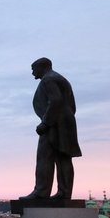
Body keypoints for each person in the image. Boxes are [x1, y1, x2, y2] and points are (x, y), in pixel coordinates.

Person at [21, 57, 82, 200]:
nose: (32, 73)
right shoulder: (60, 79)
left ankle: (41, 192)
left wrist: (46, 123)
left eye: (33, 69)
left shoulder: (48, 79)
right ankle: (64, 193)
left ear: (42, 67)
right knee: (63, 158)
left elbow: (55, 100)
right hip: (64, 122)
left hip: (54, 124)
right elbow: (71, 105)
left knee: (45, 157)